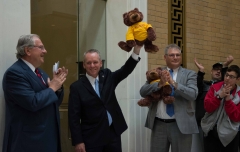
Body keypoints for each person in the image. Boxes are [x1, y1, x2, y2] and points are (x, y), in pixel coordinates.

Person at [68, 45, 141, 152]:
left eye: (95, 62)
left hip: (113, 134)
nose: (92, 65)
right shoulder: (76, 87)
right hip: (91, 137)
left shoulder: (107, 76)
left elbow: (125, 70)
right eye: (88, 63)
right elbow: (73, 117)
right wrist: (78, 141)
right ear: (84, 65)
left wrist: (136, 50)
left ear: (101, 63)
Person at [2, 34, 68, 152]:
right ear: (28, 50)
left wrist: (57, 87)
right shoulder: (15, 73)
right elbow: (32, 102)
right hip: (29, 142)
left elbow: (54, 103)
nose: (45, 51)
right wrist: (52, 88)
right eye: (41, 47)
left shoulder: (41, 73)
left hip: (47, 139)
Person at [140, 44, 199, 152]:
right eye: (172, 55)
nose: (175, 57)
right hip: (159, 125)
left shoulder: (190, 74)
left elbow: (193, 94)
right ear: (165, 57)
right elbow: (143, 92)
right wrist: (159, 84)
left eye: (178, 55)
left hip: (181, 125)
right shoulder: (157, 72)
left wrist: (173, 83)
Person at [193, 55, 234, 152]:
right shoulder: (205, 85)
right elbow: (197, 89)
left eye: (220, 70)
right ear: (211, 71)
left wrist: (226, 66)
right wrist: (201, 72)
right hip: (202, 124)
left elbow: (226, 82)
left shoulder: (224, 87)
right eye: (215, 69)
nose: (218, 71)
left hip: (220, 125)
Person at [201, 65, 240, 152]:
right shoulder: (215, 87)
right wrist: (219, 97)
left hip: (230, 134)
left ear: (238, 79)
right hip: (211, 130)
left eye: (231, 76)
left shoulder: (239, 94)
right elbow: (207, 107)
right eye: (226, 75)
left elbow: (237, 117)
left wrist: (228, 100)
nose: (227, 78)